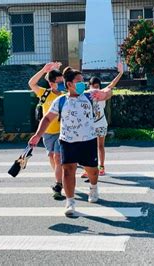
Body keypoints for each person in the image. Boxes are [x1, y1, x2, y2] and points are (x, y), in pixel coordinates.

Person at [28, 67, 113, 216]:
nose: (83, 84)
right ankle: (70, 202)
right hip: (67, 141)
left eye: (83, 81)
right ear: (69, 84)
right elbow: (47, 118)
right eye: (79, 82)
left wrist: (104, 93)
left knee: (92, 171)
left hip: (88, 140)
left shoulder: (89, 96)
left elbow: (107, 93)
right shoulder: (60, 101)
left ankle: (93, 188)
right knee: (68, 171)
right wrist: (37, 135)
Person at [28, 62, 66, 199]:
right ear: (51, 83)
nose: (61, 83)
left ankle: (58, 183)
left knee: (57, 157)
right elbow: (31, 83)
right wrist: (44, 70)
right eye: (58, 81)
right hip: (47, 133)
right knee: (51, 156)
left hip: (62, 132)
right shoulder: (44, 94)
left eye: (62, 81)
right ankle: (59, 176)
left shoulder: (64, 95)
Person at [81, 62, 124, 179]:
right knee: (88, 147)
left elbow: (112, 84)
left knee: (100, 146)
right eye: (92, 85)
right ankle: (88, 169)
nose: (95, 88)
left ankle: (101, 167)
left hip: (101, 124)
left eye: (97, 86)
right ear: (89, 86)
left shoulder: (102, 93)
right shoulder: (85, 95)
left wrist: (121, 73)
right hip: (89, 126)